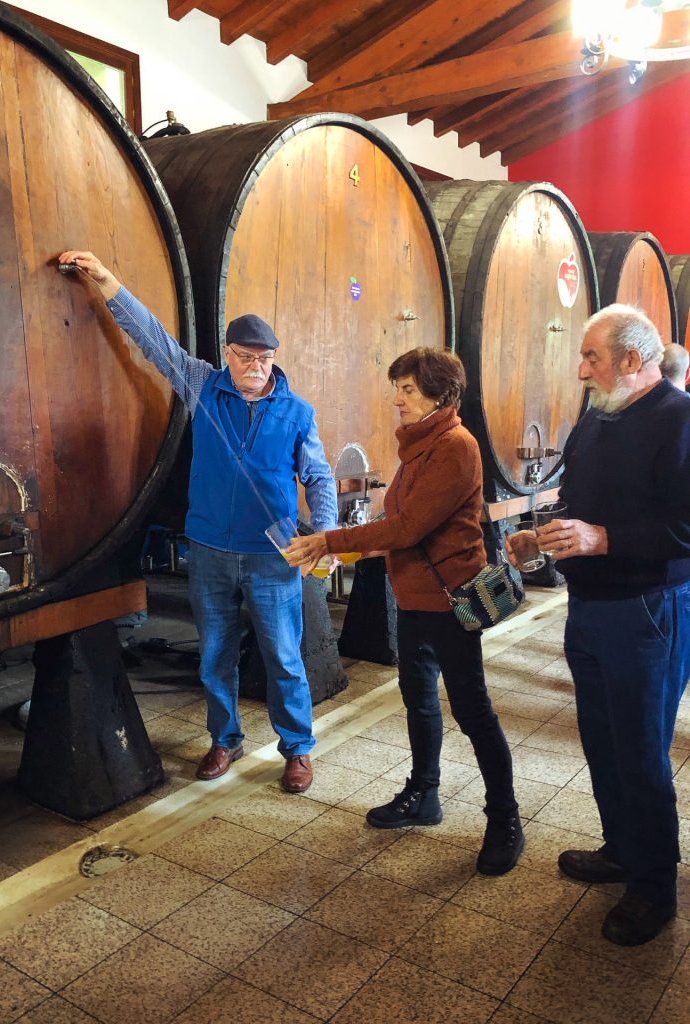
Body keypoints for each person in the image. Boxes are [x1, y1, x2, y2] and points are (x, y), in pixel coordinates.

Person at [58, 250, 338, 794]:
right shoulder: (202, 386)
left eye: (264, 358)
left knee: (283, 655)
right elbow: (153, 338)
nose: (254, 367)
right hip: (208, 549)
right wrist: (107, 279)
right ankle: (224, 738)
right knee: (214, 653)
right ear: (225, 354)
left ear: (275, 359)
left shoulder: (297, 412)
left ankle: (298, 749)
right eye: (244, 356)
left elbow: (321, 477)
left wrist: (323, 534)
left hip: (271, 556)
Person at [286, 348, 524, 876]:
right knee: (419, 701)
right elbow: (398, 524)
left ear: (443, 394)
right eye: (397, 387)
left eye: (409, 389)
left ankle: (505, 819)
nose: (397, 398)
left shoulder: (455, 447)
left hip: (450, 602)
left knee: (473, 711)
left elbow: (407, 528)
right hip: (414, 598)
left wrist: (329, 540)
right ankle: (424, 794)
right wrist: (349, 545)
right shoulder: (419, 445)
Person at [506, 303, 690, 946]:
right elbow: (577, 506)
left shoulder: (679, 419)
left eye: (592, 357)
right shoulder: (598, 419)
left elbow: (685, 530)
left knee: (639, 749)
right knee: (601, 738)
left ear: (633, 361)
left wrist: (604, 537)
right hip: (588, 606)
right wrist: (540, 539)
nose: (581, 369)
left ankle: (653, 887)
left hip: (647, 608)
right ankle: (622, 849)